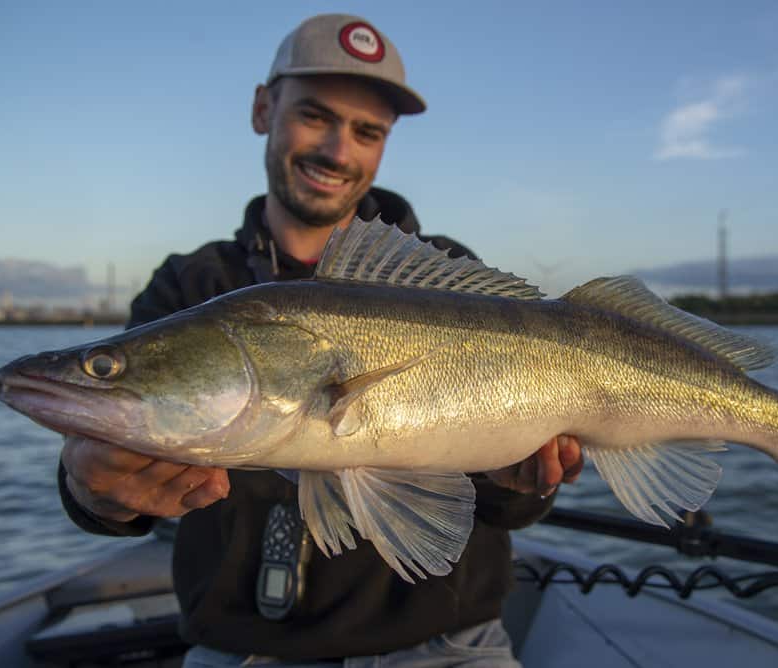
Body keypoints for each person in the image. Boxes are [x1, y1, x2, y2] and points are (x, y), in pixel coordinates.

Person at [58, 14, 583, 667]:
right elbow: (121, 483)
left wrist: (523, 478)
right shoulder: (191, 285)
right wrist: (92, 491)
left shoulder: (453, 278)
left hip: (448, 645)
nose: (339, 151)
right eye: (315, 116)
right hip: (244, 648)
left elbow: (505, 511)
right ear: (262, 108)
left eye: (367, 132)